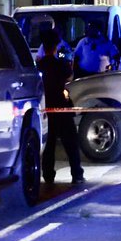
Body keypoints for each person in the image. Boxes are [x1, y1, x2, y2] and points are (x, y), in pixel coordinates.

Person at [36, 29, 85, 185]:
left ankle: (48, 174)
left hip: (46, 107)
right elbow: (69, 73)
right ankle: (77, 174)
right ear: (56, 45)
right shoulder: (60, 64)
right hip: (61, 106)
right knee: (70, 142)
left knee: (48, 144)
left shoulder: (39, 65)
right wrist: (65, 57)